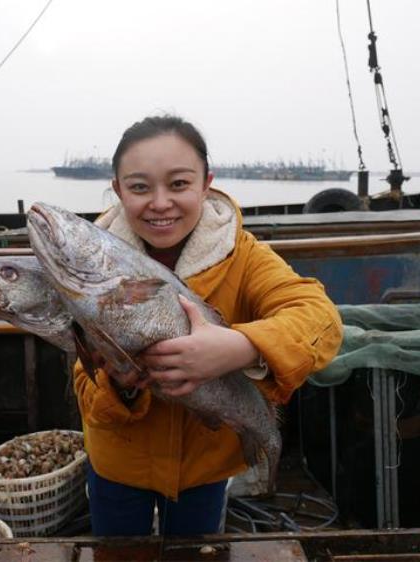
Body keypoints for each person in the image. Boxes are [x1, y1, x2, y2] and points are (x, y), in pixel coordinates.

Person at [74, 115, 343, 537]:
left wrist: (239, 346)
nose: (160, 202)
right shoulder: (89, 268)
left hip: (205, 470)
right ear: (118, 190)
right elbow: (82, 376)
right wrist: (121, 386)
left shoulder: (245, 255)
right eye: (140, 187)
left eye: (179, 184)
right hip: (116, 463)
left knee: (200, 550)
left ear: (206, 183)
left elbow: (320, 318)